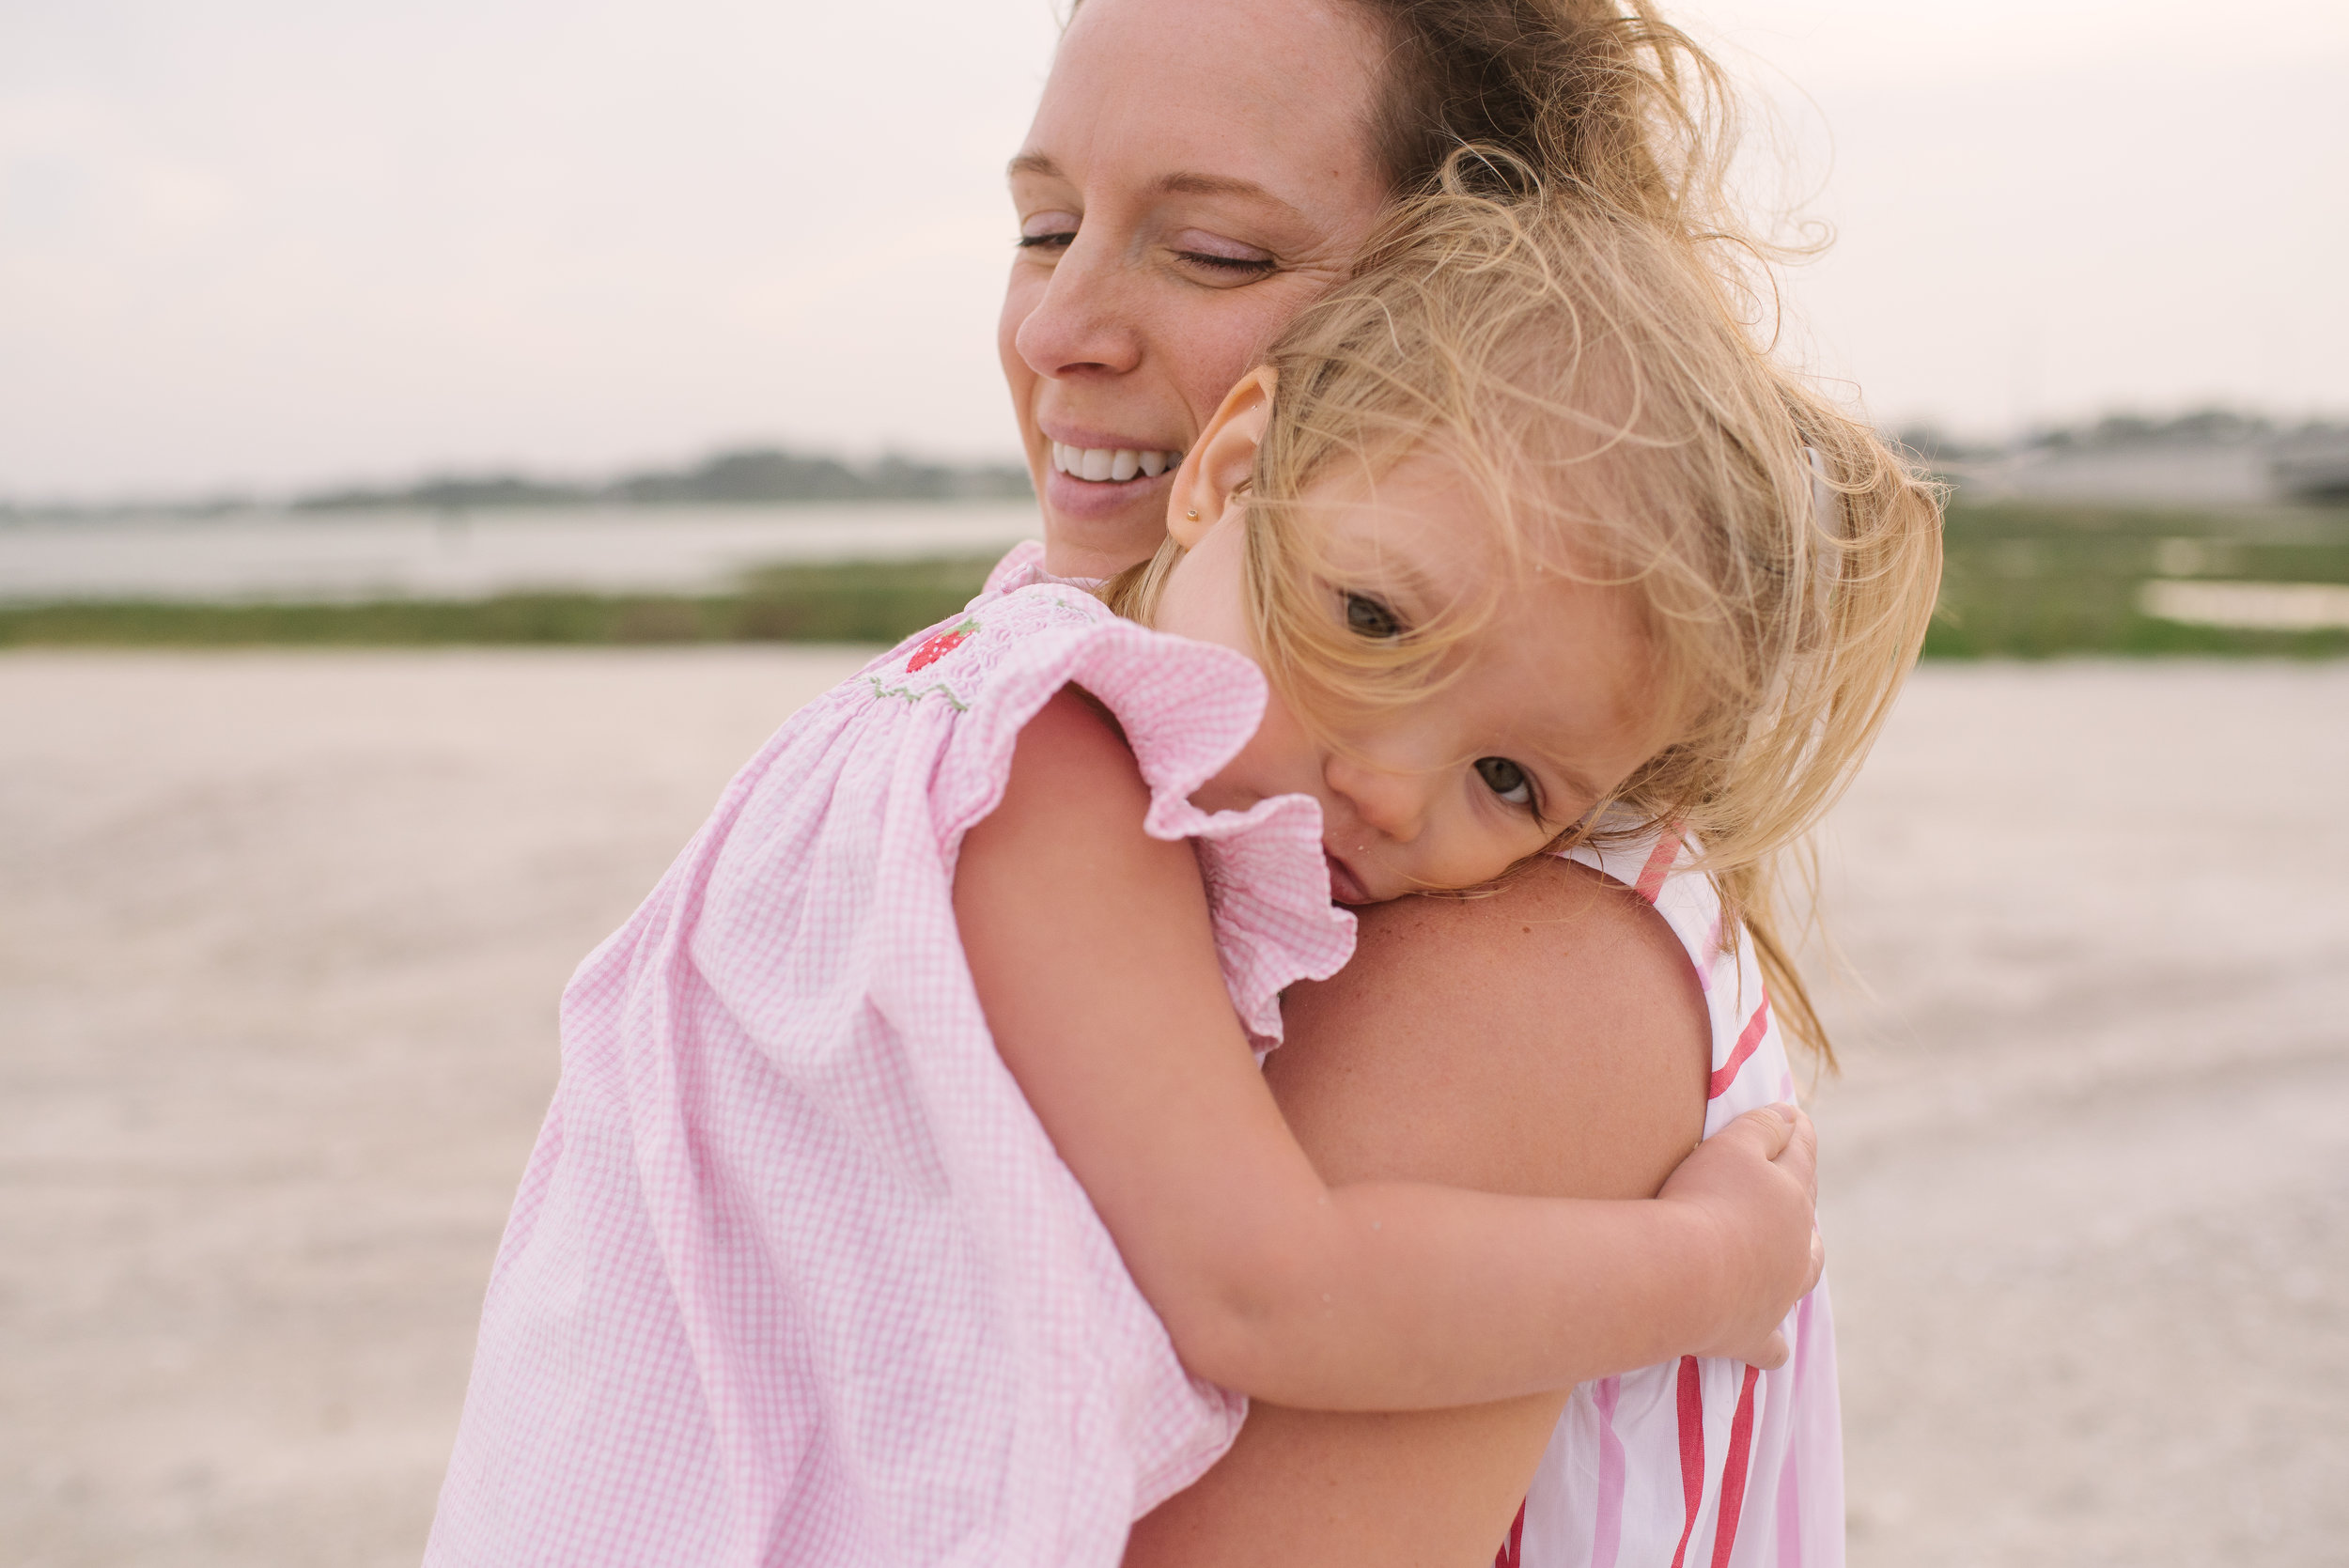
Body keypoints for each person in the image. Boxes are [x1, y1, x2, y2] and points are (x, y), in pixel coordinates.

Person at [426, 173, 1935, 1566]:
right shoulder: (1049, 759)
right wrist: (1710, 1263)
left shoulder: (1019, 715)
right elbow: (1264, 1285)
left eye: (1509, 779)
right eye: (1373, 621)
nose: (1391, 788)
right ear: (1226, 471)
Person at [994, 4, 1925, 1561]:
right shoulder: (1129, 765)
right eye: (1044, 225)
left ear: (1475, 309)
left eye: (1213, 252)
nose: (1053, 328)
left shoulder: (1517, 971)